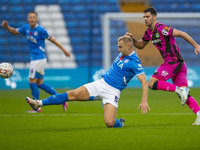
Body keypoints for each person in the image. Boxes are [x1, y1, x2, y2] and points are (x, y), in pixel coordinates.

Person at [26, 36, 151, 128]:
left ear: (128, 47)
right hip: (101, 83)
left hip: (113, 91)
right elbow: (127, 39)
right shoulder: (124, 51)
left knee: (109, 123)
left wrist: (144, 100)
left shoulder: (135, 62)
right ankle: (39, 103)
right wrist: (130, 36)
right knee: (72, 94)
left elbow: (144, 82)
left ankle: (120, 123)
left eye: (120, 47)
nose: (118, 49)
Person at [126, 7, 200, 125]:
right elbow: (140, 45)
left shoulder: (162, 28)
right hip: (179, 65)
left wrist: (196, 45)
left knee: (151, 83)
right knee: (184, 95)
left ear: (154, 17)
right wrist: (133, 39)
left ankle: (180, 90)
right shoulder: (149, 33)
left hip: (172, 62)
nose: (145, 19)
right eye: (144, 17)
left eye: (148, 17)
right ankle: (199, 115)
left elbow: (181, 33)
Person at [1, 11, 70, 113]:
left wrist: (64, 50)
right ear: (28, 19)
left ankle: (37, 107)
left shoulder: (41, 30)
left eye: (34, 17)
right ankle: (62, 100)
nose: (32, 19)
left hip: (39, 59)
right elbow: (14, 31)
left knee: (31, 82)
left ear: (36, 19)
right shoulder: (26, 28)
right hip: (36, 60)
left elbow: (53, 40)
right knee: (40, 83)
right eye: (30, 17)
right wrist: (7, 27)